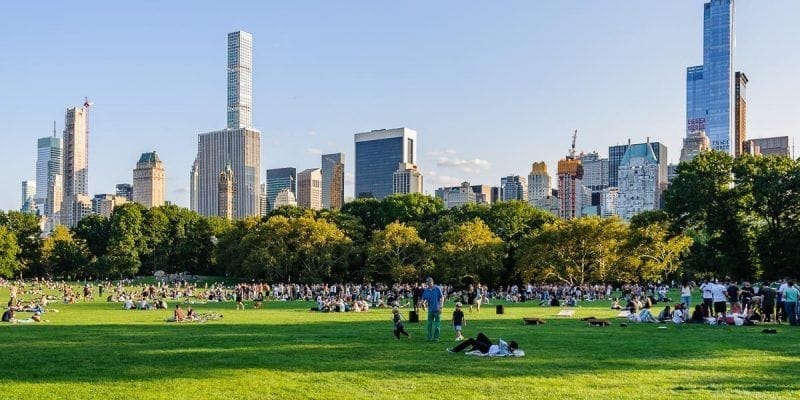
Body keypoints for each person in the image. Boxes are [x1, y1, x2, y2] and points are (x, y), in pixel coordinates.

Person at [447, 332, 518, 356]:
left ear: (512, 348)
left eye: (510, 344)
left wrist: (508, 348)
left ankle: (455, 350)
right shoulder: (507, 348)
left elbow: (502, 352)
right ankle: (475, 347)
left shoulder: (507, 352)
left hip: (487, 349)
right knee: (480, 335)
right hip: (491, 345)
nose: (508, 344)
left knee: (471, 340)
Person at [421, 277, 444, 342]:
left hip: (437, 309)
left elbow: (442, 297)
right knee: (429, 325)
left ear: (432, 282)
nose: (428, 284)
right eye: (427, 282)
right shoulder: (426, 290)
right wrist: (422, 304)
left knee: (437, 325)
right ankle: (429, 337)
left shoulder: (437, 289)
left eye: (429, 282)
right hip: (430, 310)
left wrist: (441, 307)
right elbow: (423, 298)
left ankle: (436, 338)